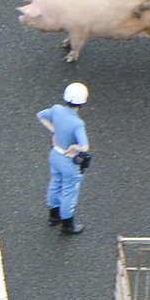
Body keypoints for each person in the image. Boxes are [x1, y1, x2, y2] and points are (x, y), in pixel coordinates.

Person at [37, 82, 90, 236]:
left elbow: (40, 115)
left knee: (55, 183)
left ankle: (53, 215)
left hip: (55, 154)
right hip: (68, 160)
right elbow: (85, 146)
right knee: (69, 192)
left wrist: (54, 131)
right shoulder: (78, 124)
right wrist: (75, 147)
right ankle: (67, 224)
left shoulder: (56, 110)